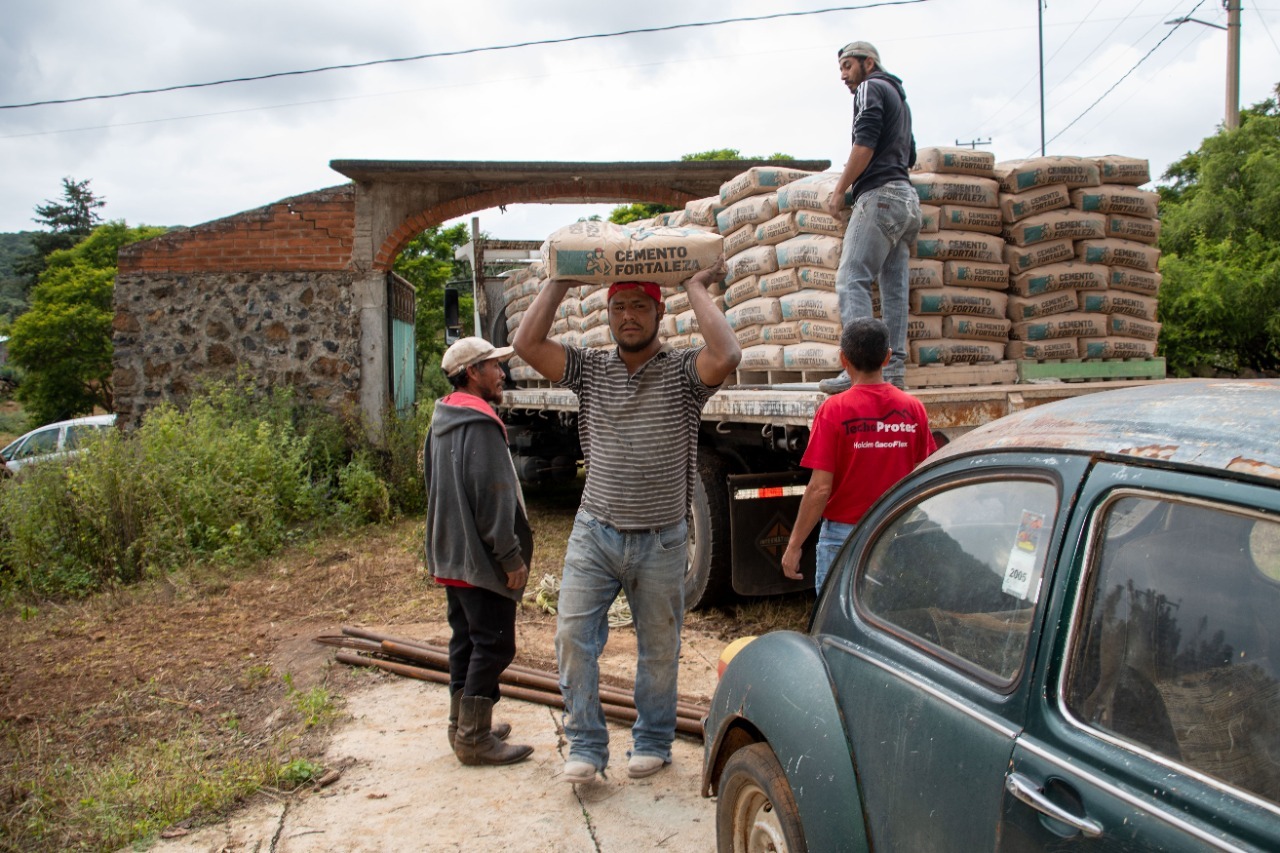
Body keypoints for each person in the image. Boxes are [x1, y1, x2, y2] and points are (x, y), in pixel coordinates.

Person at [513, 259, 740, 784]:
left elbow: (727, 354)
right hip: (595, 531)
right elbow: (527, 346)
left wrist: (693, 285)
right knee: (572, 638)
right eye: (619, 307)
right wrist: (560, 279)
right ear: (607, 316)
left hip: (661, 539)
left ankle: (654, 740)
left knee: (658, 650)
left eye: (639, 306)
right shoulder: (589, 369)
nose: (628, 316)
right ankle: (587, 747)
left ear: (659, 312)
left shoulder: (685, 373)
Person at [424, 335, 534, 766]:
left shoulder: (443, 417)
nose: (501, 373)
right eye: (493, 366)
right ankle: (474, 738)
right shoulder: (481, 423)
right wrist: (509, 557)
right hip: (480, 557)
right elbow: (494, 496)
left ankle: (464, 724)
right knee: (495, 644)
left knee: (466, 640)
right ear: (472, 373)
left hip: (451, 552)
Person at [782, 318, 935, 591]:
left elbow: (819, 489)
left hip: (845, 536)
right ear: (888, 357)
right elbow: (922, 476)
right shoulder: (913, 408)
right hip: (896, 529)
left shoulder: (834, 410)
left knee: (835, 623)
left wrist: (794, 545)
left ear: (844, 359)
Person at [819, 40, 923, 394]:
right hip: (907, 200)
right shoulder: (900, 98)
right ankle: (891, 372)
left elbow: (864, 144)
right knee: (893, 288)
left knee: (852, 276)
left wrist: (839, 190)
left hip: (880, 197)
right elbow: (908, 155)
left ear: (868, 62)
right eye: (841, 69)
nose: (845, 76)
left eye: (848, 66)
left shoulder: (869, 88)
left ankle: (859, 371)